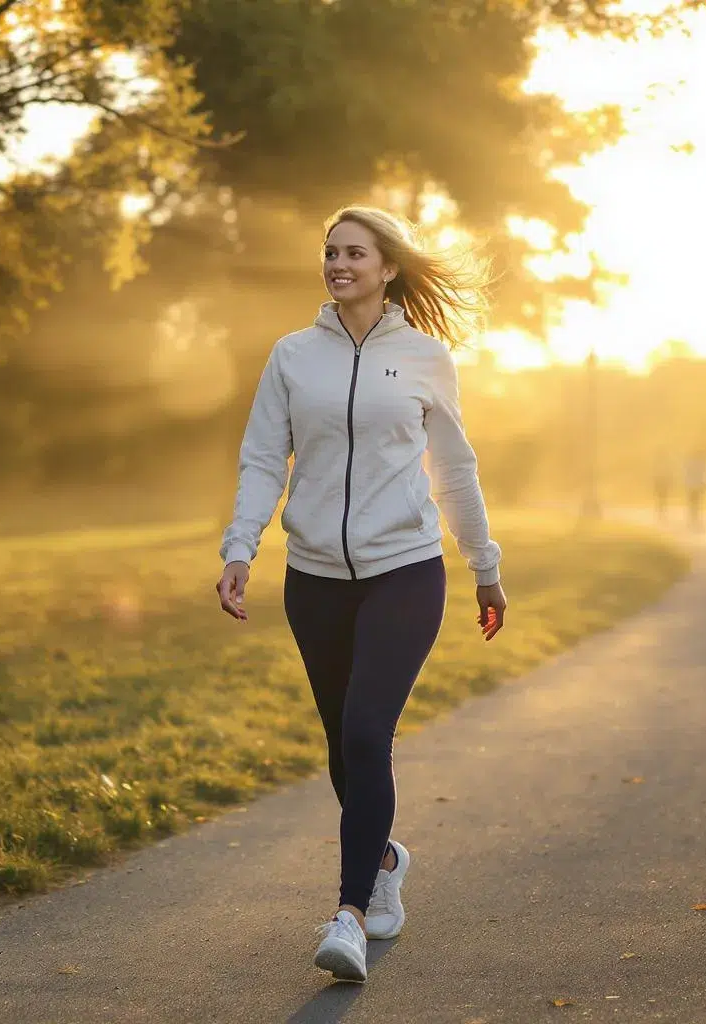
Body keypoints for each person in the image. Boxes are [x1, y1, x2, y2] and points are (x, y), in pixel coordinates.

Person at [215, 205, 507, 983]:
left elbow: (454, 470)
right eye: (330, 252)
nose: (339, 264)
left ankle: (348, 915)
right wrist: (240, 547)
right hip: (313, 578)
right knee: (343, 740)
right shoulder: (291, 356)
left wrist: (483, 563)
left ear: (387, 268)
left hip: (405, 570)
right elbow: (260, 460)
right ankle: (384, 856)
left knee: (368, 727)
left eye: (355, 253)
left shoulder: (424, 358)